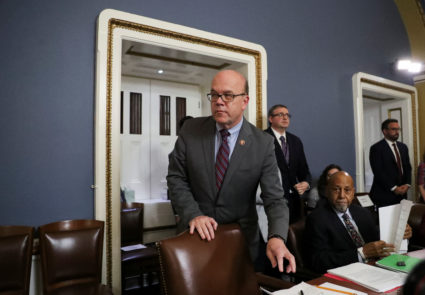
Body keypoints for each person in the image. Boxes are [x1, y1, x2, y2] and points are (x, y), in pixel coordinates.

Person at [167, 70, 296, 273]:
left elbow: (275, 199)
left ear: (244, 101)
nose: (219, 101)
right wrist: (193, 214)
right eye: (215, 95)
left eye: (228, 95)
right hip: (194, 238)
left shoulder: (263, 143)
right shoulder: (191, 130)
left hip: (242, 244)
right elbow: (176, 178)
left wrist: (277, 237)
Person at [305, 171, 412, 274]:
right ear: (327, 192)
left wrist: (399, 234)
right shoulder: (317, 219)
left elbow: (378, 239)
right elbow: (318, 261)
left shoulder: (362, 212)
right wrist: (361, 254)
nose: (342, 195)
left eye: (347, 190)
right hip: (348, 275)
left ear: (353, 193)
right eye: (336, 189)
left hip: (376, 269)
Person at [264, 104, 312, 223]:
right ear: (271, 119)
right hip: (272, 202)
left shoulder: (295, 141)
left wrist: (306, 183)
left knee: (293, 238)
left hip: (294, 202)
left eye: (287, 115)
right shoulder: (262, 138)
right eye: (280, 114)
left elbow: (304, 170)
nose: (285, 118)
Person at [369, 118, 412, 207]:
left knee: (402, 220)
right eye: (393, 129)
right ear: (384, 131)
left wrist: (407, 184)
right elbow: (378, 171)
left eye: (398, 129)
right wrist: (394, 188)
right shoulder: (376, 148)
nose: (397, 132)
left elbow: (407, 167)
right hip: (384, 195)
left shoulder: (403, 147)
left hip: (402, 195)